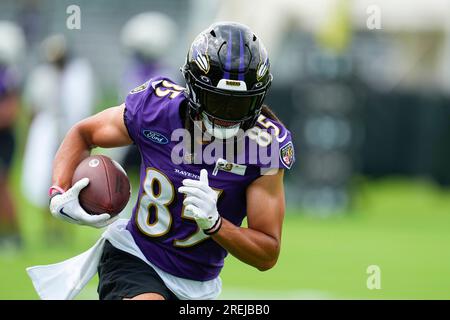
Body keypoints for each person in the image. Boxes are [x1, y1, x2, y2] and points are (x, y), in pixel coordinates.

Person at [45, 22, 295, 300]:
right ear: (195, 90)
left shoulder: (265, 147)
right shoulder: (156, 109)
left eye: (238, 104)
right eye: (216, 100)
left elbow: (267, 253)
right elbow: (84, 133)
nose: (227, 115)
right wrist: (59, 190)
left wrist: (216, 224)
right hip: (135, 256)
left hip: (200, 284)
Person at [22, 34, 95, 243]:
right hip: (46, 132)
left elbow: (84, 105)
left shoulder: (78, 76)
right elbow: (33, 107)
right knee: (47, 178)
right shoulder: (42, 76)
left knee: (72, 179)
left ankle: (66, 228)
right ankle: (48, 226)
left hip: (70, 130)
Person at [0, 21, 25, 249]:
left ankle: (15, 235)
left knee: (3, 185)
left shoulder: (9, 76)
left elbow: (9, 113)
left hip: (4, 139)